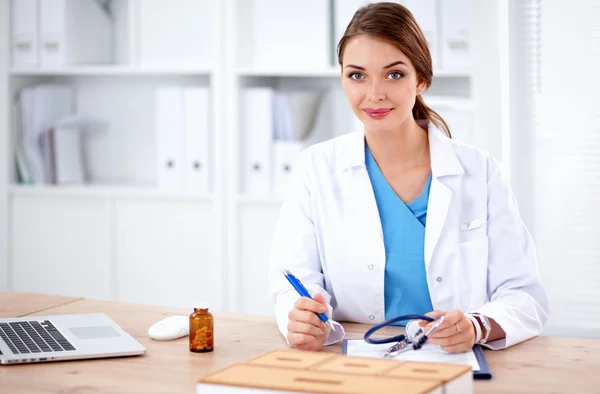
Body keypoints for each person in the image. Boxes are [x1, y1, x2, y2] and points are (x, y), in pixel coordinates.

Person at [268, 2, 549, 353]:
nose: (375, 93)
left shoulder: (480, 172)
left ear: (422, 79)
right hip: (356, 359)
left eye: (394, 74)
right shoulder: (316, 168)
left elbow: (524, 295)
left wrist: (478, 326)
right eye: (357, 75)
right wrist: (299, 317)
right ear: (342, 78)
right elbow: (291, 282)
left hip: (456, 361)